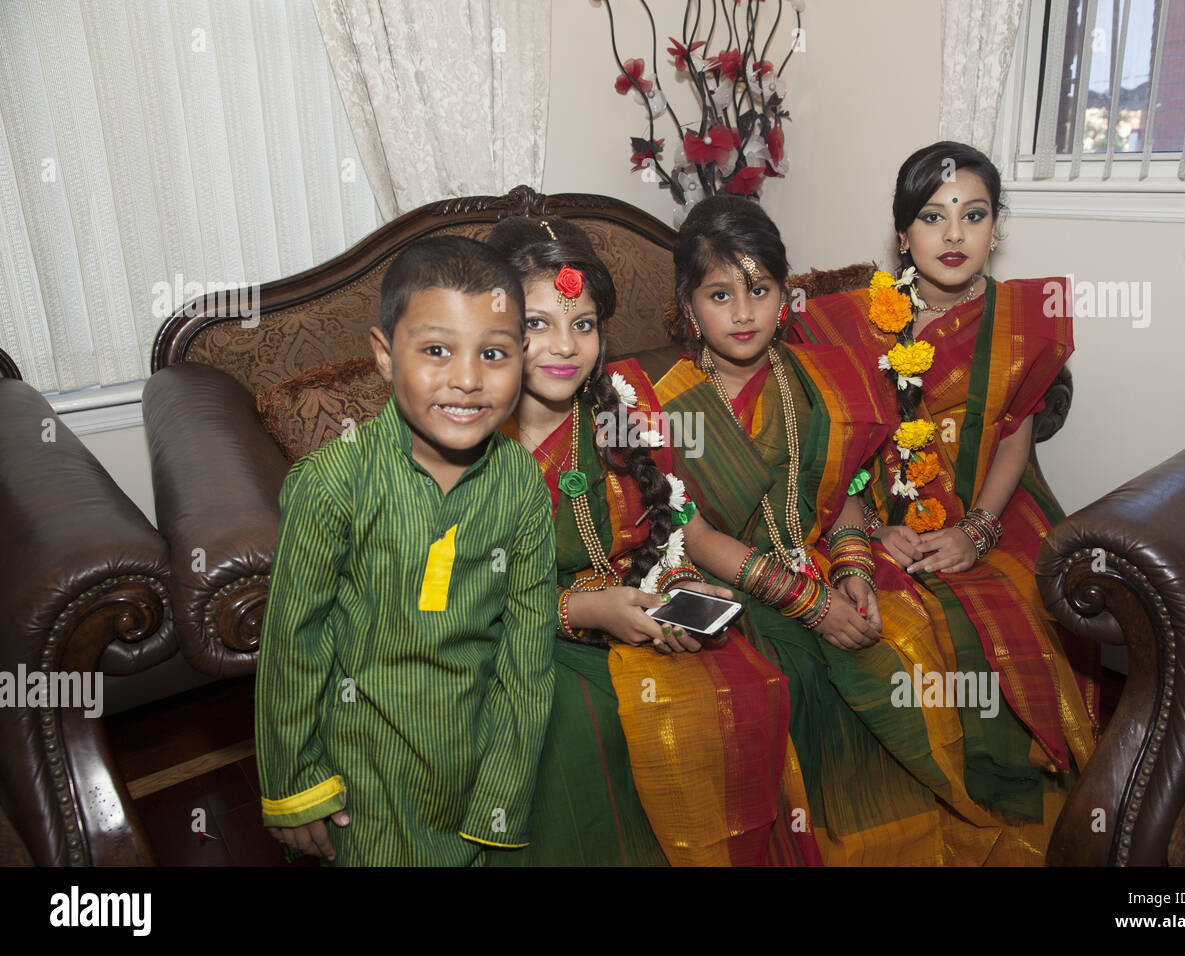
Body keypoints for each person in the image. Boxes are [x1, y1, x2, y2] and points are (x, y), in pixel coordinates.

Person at [655, 194, 1018, 866]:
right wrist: (810, 603)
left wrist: (851, 570)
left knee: (907, 633)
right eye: (719, 293)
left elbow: (846, 489)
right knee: (773, 679)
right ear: (686, 304)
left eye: (759, 290)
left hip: (818, 554)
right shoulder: (664, 401)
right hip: (714, 574)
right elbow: (691, 531)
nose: (742, 313)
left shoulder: (823, 379)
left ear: (785, 295)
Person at [788, 141, 1102, 862]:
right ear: (903, 234)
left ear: (997, 228)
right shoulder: (850, 321)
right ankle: (898, 795)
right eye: (933, 216)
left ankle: (992, 782)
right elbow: (832, 441)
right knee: (868, 618)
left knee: (1007, 609)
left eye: (974, 215)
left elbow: (1015, 436)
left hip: (991, 501)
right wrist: (866, 530)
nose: (954, 235)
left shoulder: (1022, 318)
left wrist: (977, 533)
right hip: (863, 506)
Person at [483, 215, 821, 866]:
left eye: (582, 324)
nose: (564, 346)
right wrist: (583, 611)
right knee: (569, 734)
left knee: (745, 690)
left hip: (632, 614)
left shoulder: (624, 404)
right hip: (514, 639)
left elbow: (664, 531)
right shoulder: (467, 432)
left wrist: (676, 585)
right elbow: (460, 593)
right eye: (537, 324)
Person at [255, 236, 558, 866]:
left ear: (522, 359)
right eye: (437, 350)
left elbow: (526, 659)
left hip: (472, 769)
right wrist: (294, 782)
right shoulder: (332, 484)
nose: (469, 380)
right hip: (362, 780)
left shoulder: (522, 485)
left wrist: (500, 797)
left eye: (494, 353)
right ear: (385, 356)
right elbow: (293, 645)